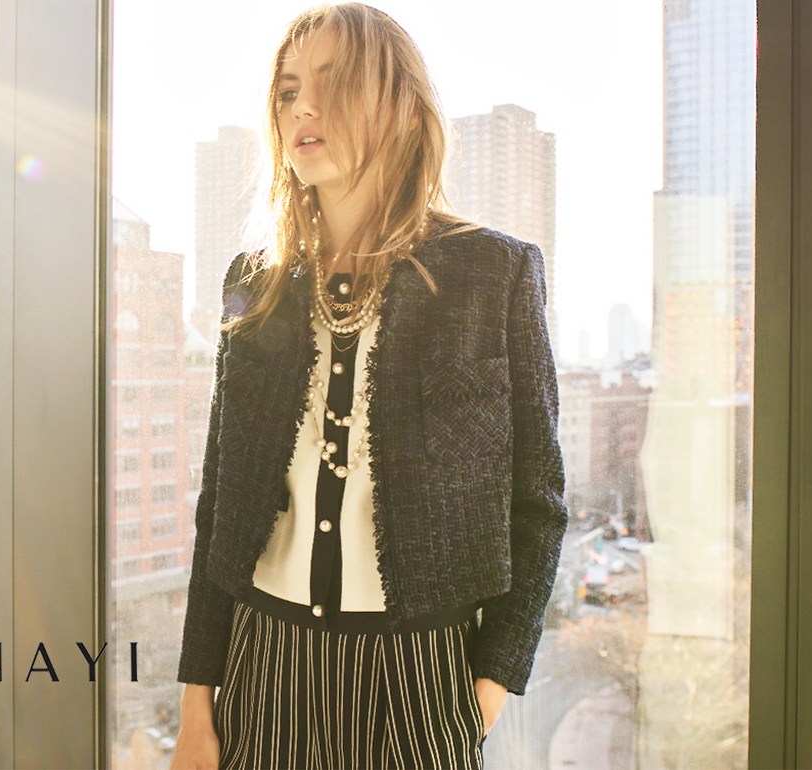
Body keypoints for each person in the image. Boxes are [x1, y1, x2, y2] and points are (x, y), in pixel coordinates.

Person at [170, 4, 568, 769]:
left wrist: (489, 682)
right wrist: (197, 701)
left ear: (400, 105)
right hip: (262, 664)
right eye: (288, 91)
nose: (302, 108)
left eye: (331, 83)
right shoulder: (254, 280)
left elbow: (538, 501)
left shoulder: (493, 272)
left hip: (422, 675)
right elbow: (221, 504)